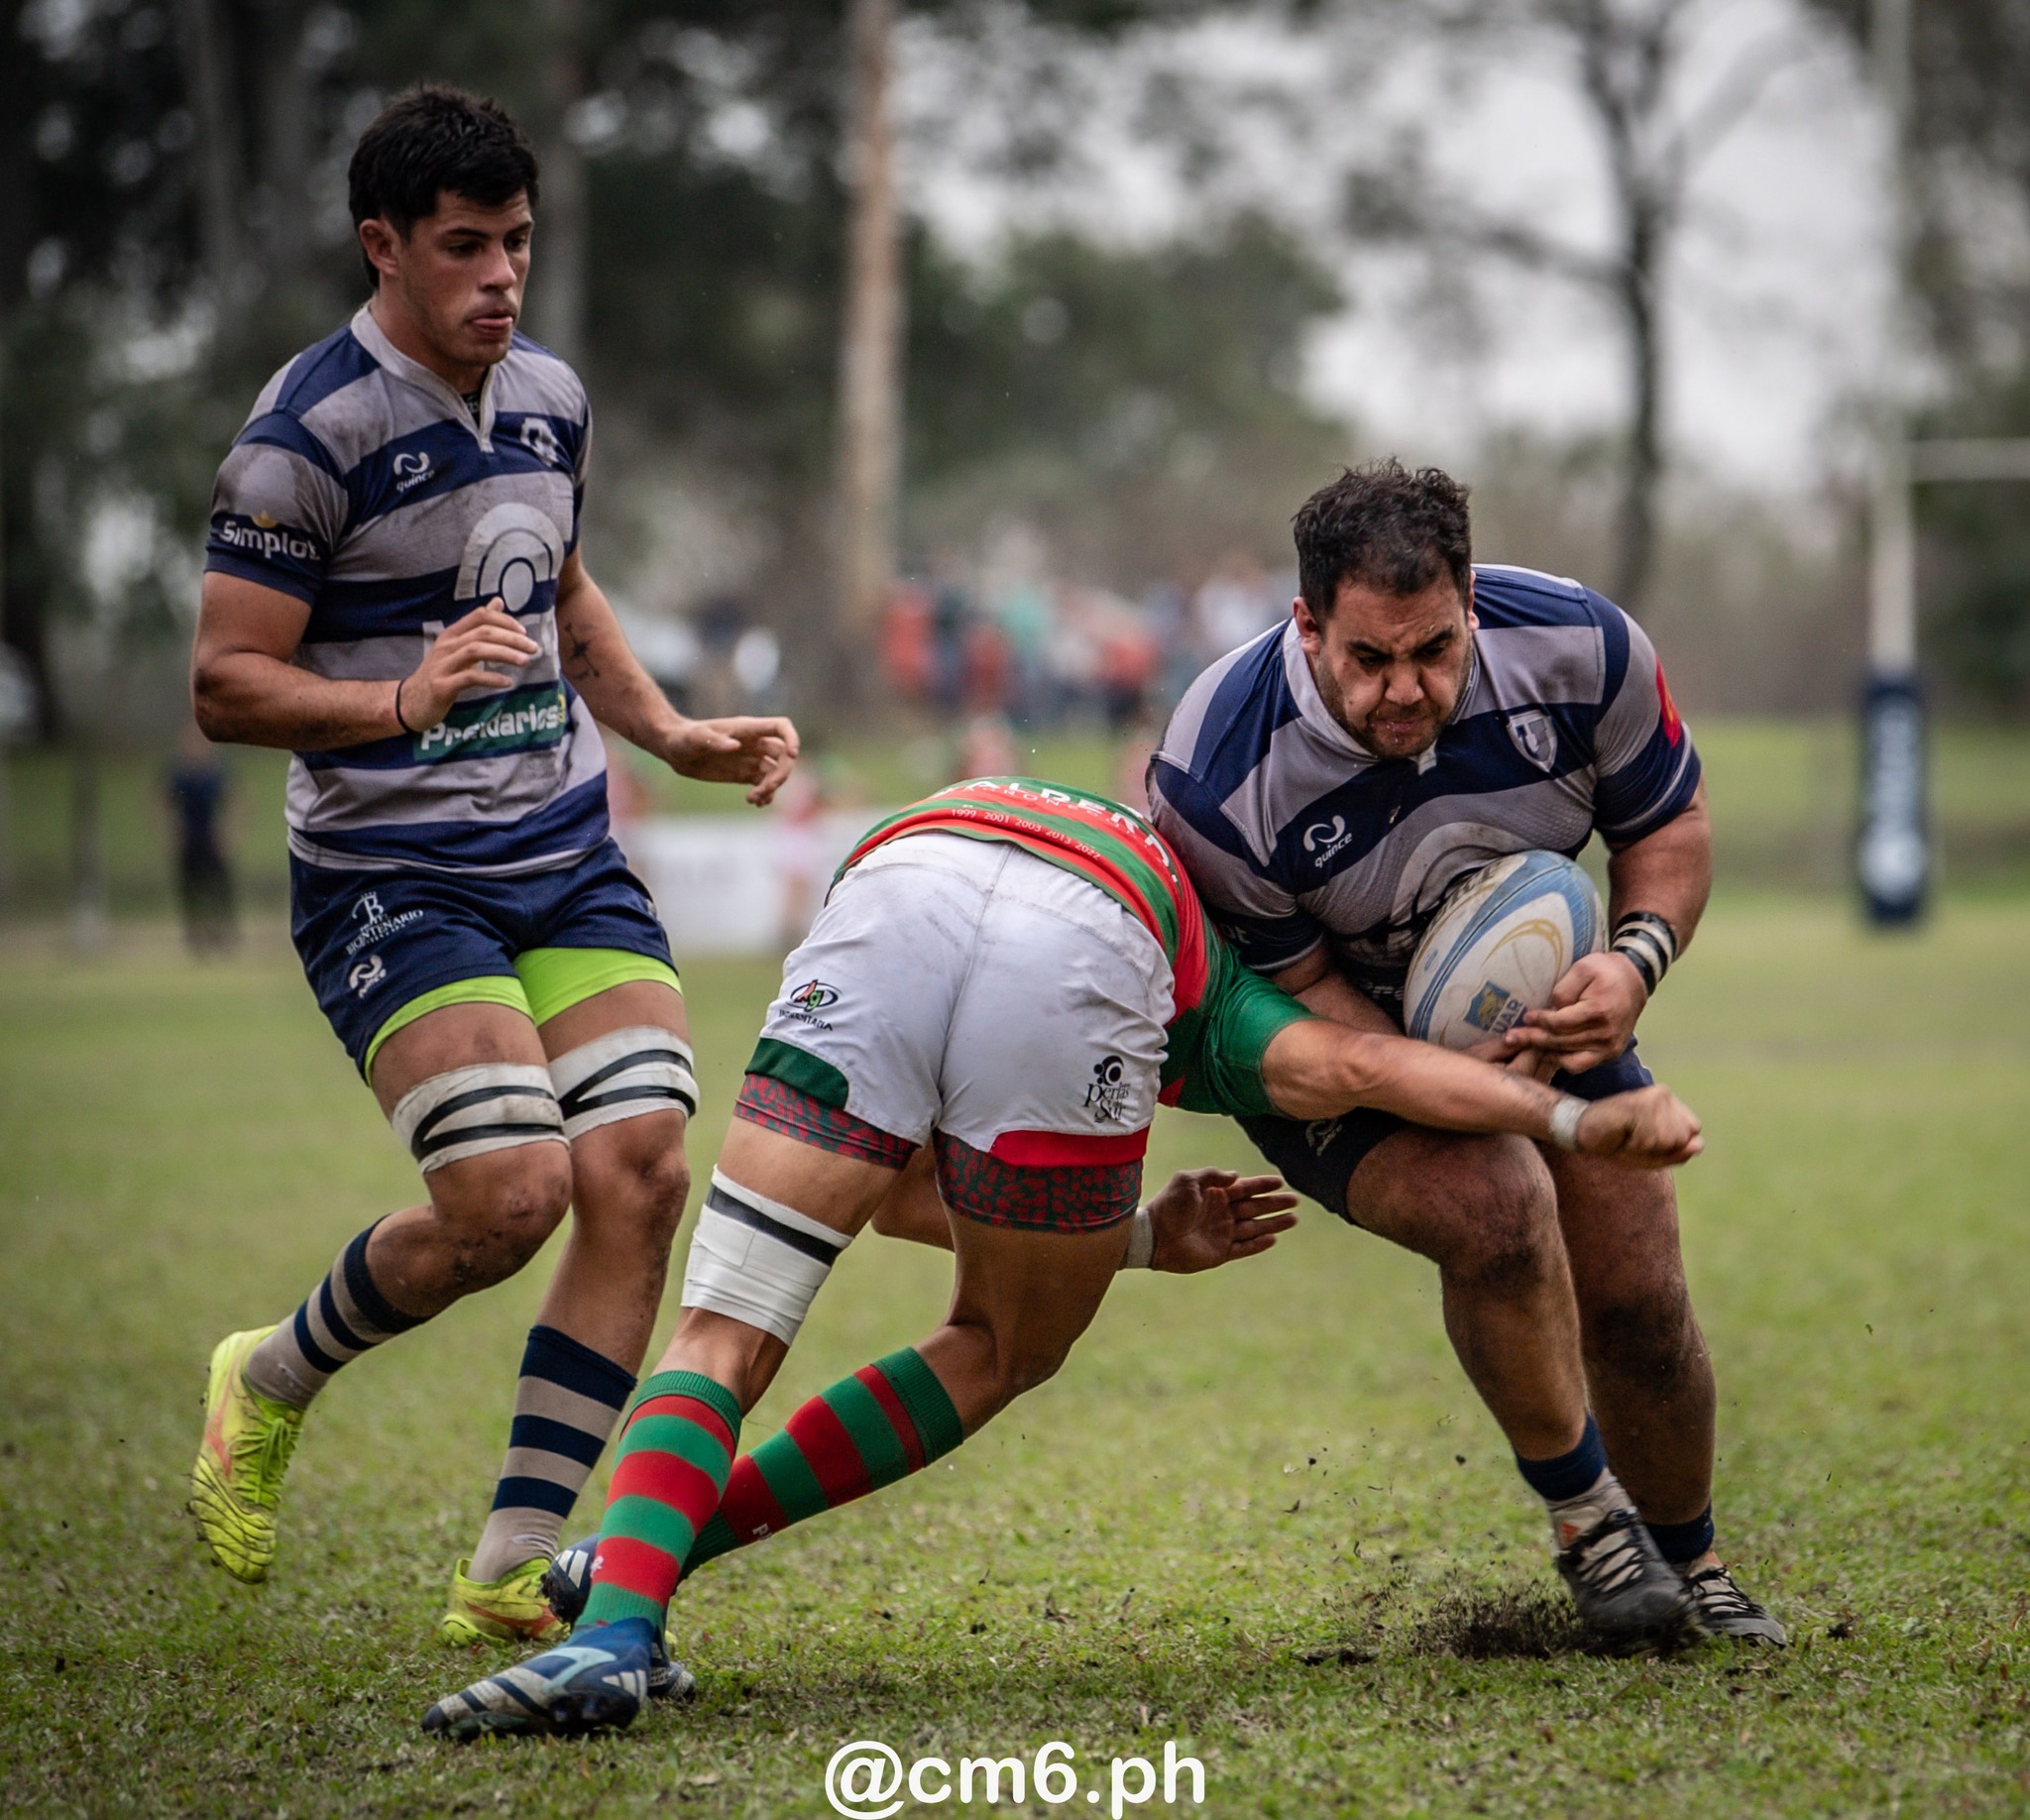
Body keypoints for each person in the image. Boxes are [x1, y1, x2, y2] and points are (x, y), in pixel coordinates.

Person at [419, 776, 1705, 1738]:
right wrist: (1579, 1117)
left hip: (898, 873)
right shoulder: (1221, 978)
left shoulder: (1032, 811)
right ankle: (652, 1567)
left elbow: (884, 1194)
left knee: (724, 1330)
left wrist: (1138, 1234)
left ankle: (617, 1621)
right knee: (1000, 1345)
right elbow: (1363, 1066)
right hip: (1086, 938)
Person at [183, 87, 798, 1652]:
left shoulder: (550, 398)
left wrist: (664, 732)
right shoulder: (299, 440)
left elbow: (563, 581)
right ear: (381, 247)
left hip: (563, 852)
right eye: (465, 248)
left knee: (644, 1167)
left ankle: (512, 1564)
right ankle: (266, 1379)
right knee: (510, 1194)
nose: (501, 277)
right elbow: (226, 682)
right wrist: (395, 700)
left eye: (517, 242)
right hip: (395, 875)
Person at [1147, 459, 1784, 1646]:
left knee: (1640, 1296)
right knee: (1493, 1211)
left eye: (1434, 651)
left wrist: (1632, 960)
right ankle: (1591, 1529)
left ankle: (1691, 1564)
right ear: (1306, 624)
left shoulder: (1583, 649)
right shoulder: (1216, 766)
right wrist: (1481, 1100)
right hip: (1332, 1040)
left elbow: (1668, 827)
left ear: (1471, 601)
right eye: (1368, 659)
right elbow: (1319, 1006)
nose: (1405, 690)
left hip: (1540, 1013)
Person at [165, 724, 237, 955]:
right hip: (189, 839)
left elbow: (237, 798)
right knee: (189, 890)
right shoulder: (180, 774)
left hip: (210, 840)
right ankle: (195, 936)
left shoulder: (214, 773)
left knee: (219, 889)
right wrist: (171, 832)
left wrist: (227, 832)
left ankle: (221, 934)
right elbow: (161, 800)